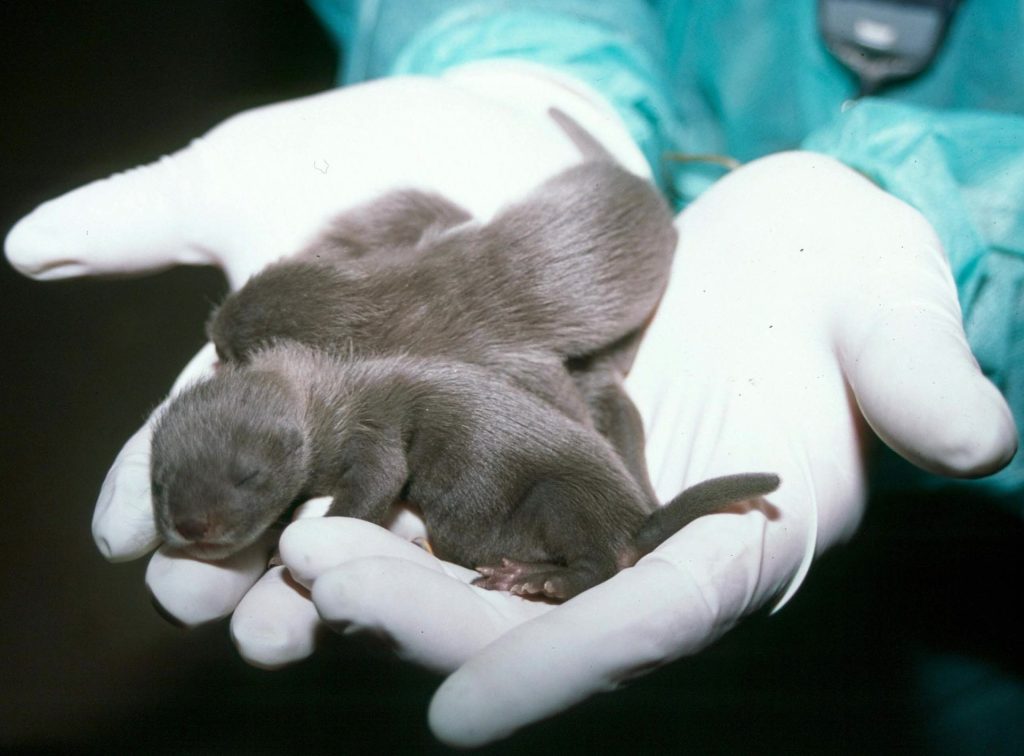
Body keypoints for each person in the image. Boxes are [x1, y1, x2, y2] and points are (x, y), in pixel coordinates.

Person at [5, 0, 1021, 748]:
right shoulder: (404, 341)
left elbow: (521, 371)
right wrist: (522, 74)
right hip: (587, 200)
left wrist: (964, 229)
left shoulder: (429, 352)